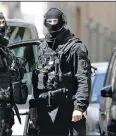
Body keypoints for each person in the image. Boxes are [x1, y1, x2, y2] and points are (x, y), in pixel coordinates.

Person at [29, 8, 91, 136]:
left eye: (55, 21)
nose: (52, 24)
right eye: (49, 21)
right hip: (45, 108)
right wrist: (34, 105)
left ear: (62, 22)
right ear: (45, 23)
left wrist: (79, 108)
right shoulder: (43, 46)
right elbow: (37, 78)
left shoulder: (75, 47)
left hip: (68, 107)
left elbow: (83, 78)